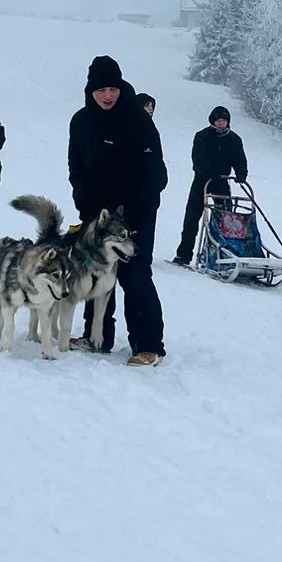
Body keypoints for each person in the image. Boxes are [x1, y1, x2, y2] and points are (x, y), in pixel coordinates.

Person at [67, 55, 168, 367]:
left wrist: (135, 212)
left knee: (134, 275)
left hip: (136, 213)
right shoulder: (81, 121)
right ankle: (97, 337)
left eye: (112, 88)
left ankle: (148, 344)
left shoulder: (138, 121)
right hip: (96, 216)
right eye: (101, 90)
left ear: (121, 87)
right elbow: (76, 167)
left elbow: (156, 175)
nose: (107, 95)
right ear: (90, 91)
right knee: (94, 271)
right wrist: (83, 199)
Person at [174, 105, 249, 266]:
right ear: (213, 121)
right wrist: (209, 171)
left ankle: (221, 255)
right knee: (192, 219)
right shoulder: (202, 136)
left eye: (224, 120)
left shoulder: (234, 139)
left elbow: (239, 159)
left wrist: (241, 173)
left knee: (226, 220)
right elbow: (198, 159)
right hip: (202, 182)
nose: (221, 123)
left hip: (222, 183)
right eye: (218, 120)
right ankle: (184, 254)